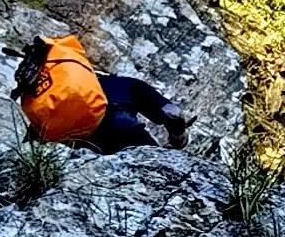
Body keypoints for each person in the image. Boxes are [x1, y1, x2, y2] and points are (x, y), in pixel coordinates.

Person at [18, 33, 189, 152]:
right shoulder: (124, 85)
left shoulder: (56, 100)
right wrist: (178, 137)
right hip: (123, 129)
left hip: (84, 151)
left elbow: (37, 138)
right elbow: (172, 112)